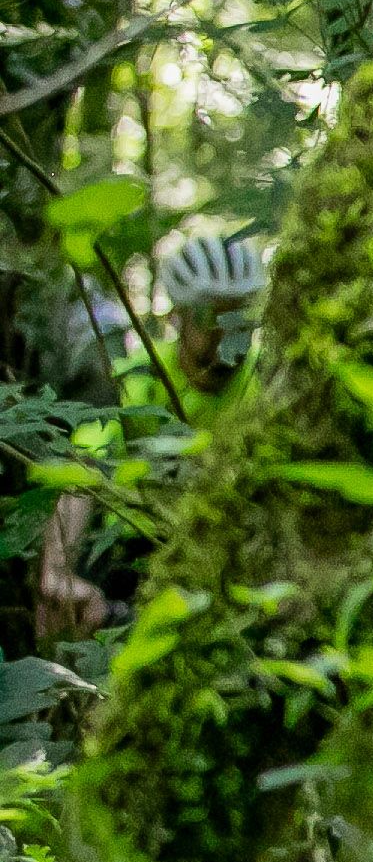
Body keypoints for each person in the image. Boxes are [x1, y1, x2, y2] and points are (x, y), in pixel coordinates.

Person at [33, 228, 264, 643]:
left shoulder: (270, 381)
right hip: (138, 555)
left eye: (240, 319)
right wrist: (57, 572)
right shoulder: (138, 380)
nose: (225, 339)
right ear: (178, 317)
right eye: (209, 318)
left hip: (235, 553)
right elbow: (84, 471)